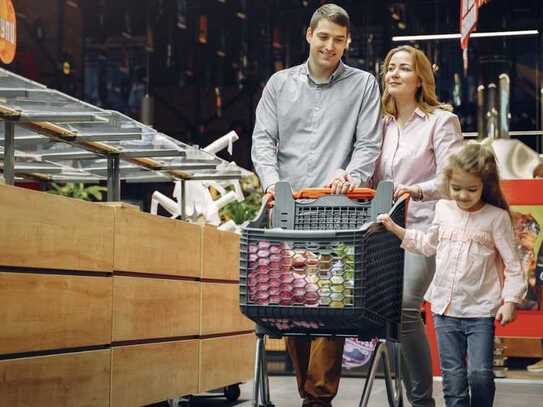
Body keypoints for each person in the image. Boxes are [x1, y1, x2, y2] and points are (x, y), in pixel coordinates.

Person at [251, 4, 382, 406]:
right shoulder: (279, 84)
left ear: (347, 43)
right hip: (288, 211)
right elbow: (262, 141)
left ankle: (318, 398)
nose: (330, 46)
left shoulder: (363, 85)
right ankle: (311, 392)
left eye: (338, 40)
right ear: (309, 35)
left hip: (338, 210)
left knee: (330, 305)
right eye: (323, 37)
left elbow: (368, 144)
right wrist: (273, 184)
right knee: (292, 304)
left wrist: (353, 176)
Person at [378, 142, 527, 407]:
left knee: (479, 374)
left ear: (486, 185)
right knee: (453, 379)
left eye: (471, 189)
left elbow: (513, 265)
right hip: (444, 311)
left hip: (480, 311)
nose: (462, 195)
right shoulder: (443, 209)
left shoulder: (496, 218)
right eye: (456, 188)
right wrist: (396, 229)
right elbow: (427, 245)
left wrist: (510, 301)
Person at [372, 45, 463, 406]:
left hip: (425, 229)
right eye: (390, 68)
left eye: (404, 68)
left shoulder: (441, 121)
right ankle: (404, 398)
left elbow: (453, 178)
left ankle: (422, 401)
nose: (393, 73)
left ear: (420, 79)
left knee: (407, 307)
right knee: (387, 315)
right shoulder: (379, 126)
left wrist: (417, 190)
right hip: (383, 232)